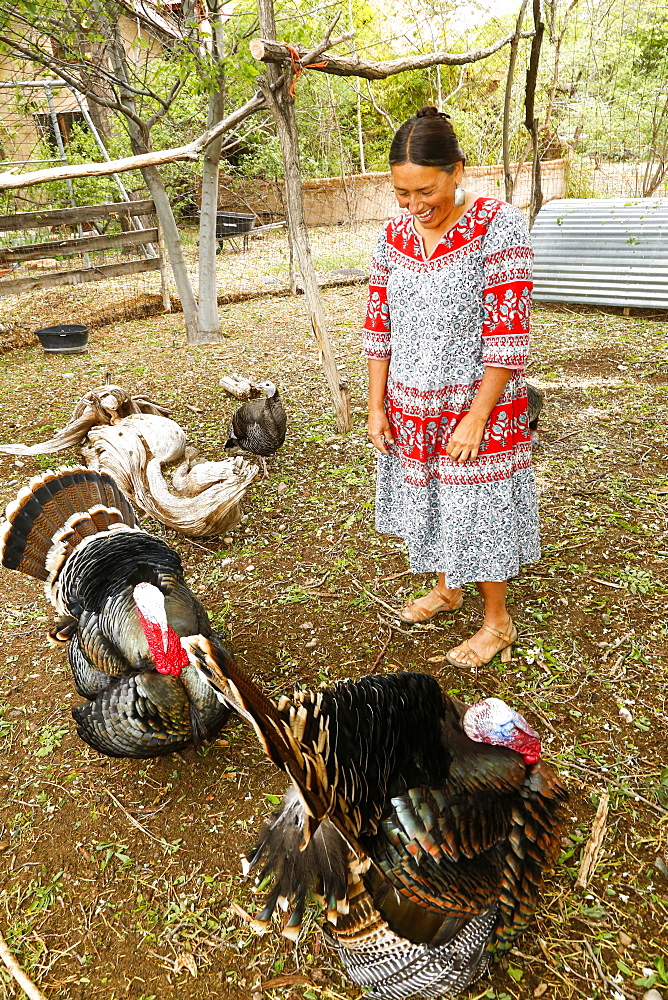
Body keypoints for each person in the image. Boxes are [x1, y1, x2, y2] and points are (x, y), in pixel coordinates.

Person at [363, 105, 540, 669]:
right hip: (411, 403)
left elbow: (508, 331)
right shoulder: (394, 235)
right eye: (402, 193)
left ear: (458, 170)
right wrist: (376, 407)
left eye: (426, 190)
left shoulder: (498, 224)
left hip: (476, 402)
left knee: (478, 505)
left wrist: (477, 416)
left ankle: (497, 622)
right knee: (437, 500)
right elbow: (378, 324)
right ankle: (448, 589)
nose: (414, 205)